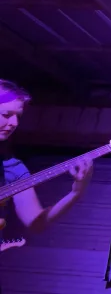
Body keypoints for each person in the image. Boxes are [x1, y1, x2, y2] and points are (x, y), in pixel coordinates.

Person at [0, 79, 93, 237]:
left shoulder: (14, 168)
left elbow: (37, 224)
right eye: (6, 115)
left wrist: (76, 192)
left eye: (18, 116)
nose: (14, 123)